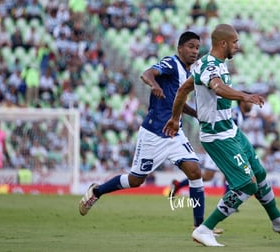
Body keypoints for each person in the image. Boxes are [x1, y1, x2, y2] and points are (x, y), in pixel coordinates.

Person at [163, 24, 280, 246]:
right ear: (223, 43)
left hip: (231, 130)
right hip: (217, 136)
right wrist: (244, 96)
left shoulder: (212, 64)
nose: (238, 47)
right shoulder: (210, 66)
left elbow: (184, 90)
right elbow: (218, 88)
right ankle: (204, 229)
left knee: (259, 174)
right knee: (246, 185)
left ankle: (277, 220)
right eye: (235, 43)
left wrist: (175, 118)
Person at [78, 31, 207, 232]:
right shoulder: (171, 63)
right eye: (190, 46)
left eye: (197, 48)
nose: (194, 51)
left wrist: (196, 114)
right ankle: (97, 191)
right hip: (154, 132)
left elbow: (177, 102)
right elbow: (146, 74)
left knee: (195, 171)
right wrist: (154, 85)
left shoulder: (188, 73)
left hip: (175, 132)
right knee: (135, 180)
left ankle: (200, 227)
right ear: (179, 48)